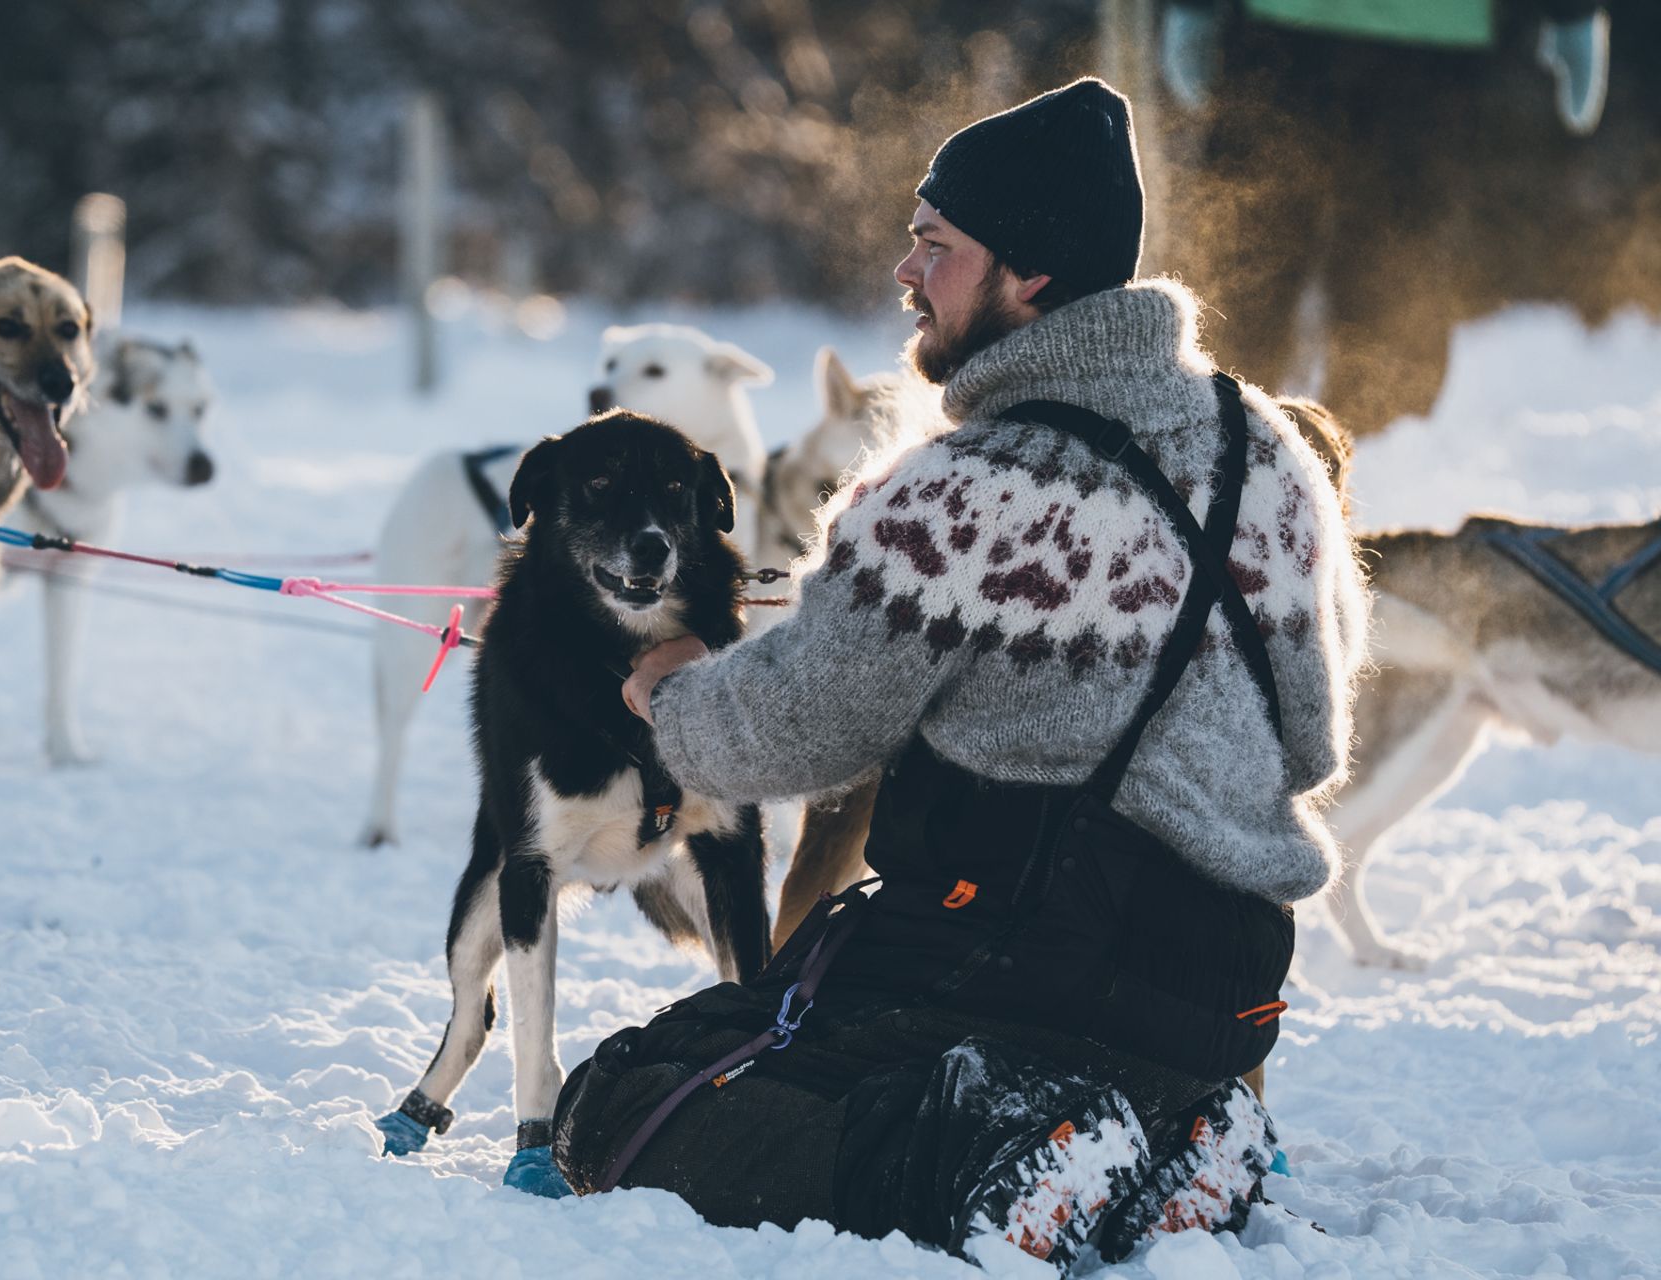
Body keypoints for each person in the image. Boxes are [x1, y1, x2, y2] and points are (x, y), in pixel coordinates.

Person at [551, 77, 1368, 1270]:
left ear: (1029, 274)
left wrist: (670, 686)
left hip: (1017, 960)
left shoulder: (958, 490)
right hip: (1224, 987)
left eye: (936, 245)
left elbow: (786, 734)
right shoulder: (1269, 453)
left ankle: (993, 1153)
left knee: (632, 1099)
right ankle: (1166, 1134)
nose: (905, 270)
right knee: (791, 1044)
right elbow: (1314, 740)